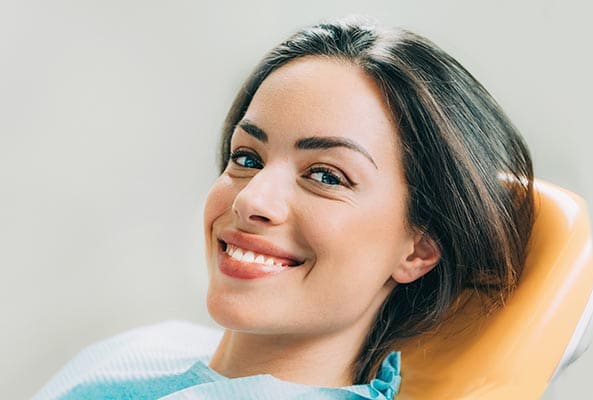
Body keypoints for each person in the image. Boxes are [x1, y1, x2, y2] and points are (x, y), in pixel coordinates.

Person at [33, 15, 534, 400]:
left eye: (325, 176)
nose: (252, 199)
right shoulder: (148, 349)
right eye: (246, 157)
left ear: (419, 249)